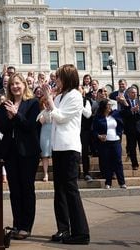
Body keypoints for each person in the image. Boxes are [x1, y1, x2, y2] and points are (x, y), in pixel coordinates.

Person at [42, 64, 90, 245]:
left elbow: (61, 118)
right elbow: (52, 116)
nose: (56, 80)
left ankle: (81, 233)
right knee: (59, 191)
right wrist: (47, 108)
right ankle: (63, 229)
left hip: (70, 148)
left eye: (59, 77)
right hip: (58, 148)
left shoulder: (76, 96)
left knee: (71, 191)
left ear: (68, 79)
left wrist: (50, 100)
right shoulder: (60, 96)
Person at [0, 73, 40, 240]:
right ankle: (17, 223)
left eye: (18, 83)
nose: (14, 86)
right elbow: (2, 128)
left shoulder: (33, 103)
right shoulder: (5, 104)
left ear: (24, 85)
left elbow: (30, 126)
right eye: (12, 84)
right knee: (14, 190)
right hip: (11, 152)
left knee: (27, 188)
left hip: (28, 152)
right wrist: (9, 118)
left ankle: (26, 226)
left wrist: (16, 115)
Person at [93, 99, 126, 189]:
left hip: (115, 141)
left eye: (111, 104)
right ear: (104, 106)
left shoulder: (115, 114)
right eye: (109, 105)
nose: (110, 106)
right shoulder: (98, 117)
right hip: (105, 142)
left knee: (118, 161)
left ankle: (122, 183)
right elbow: (94, 130)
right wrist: (99, 136)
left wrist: (119, 133)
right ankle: (108, 182)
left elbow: (122, 120)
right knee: (107, 162)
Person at [120, 86, 140, 171]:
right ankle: (134, 164)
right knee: (132, 148)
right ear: (128, 94)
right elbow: (123, 114)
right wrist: (131, 110)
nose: (135, 94)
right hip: (130, 129)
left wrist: (138, 111)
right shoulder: (124, 102)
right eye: (133, 92)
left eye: (136, 92)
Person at [36, 96, 52, 182]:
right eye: (46, 103)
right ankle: (45, 173)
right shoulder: (42, 112)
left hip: (54, 133)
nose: (47, 105)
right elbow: (39, 122)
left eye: (49, 103)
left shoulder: (55, 111)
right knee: (45, 154)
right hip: (45, 133)